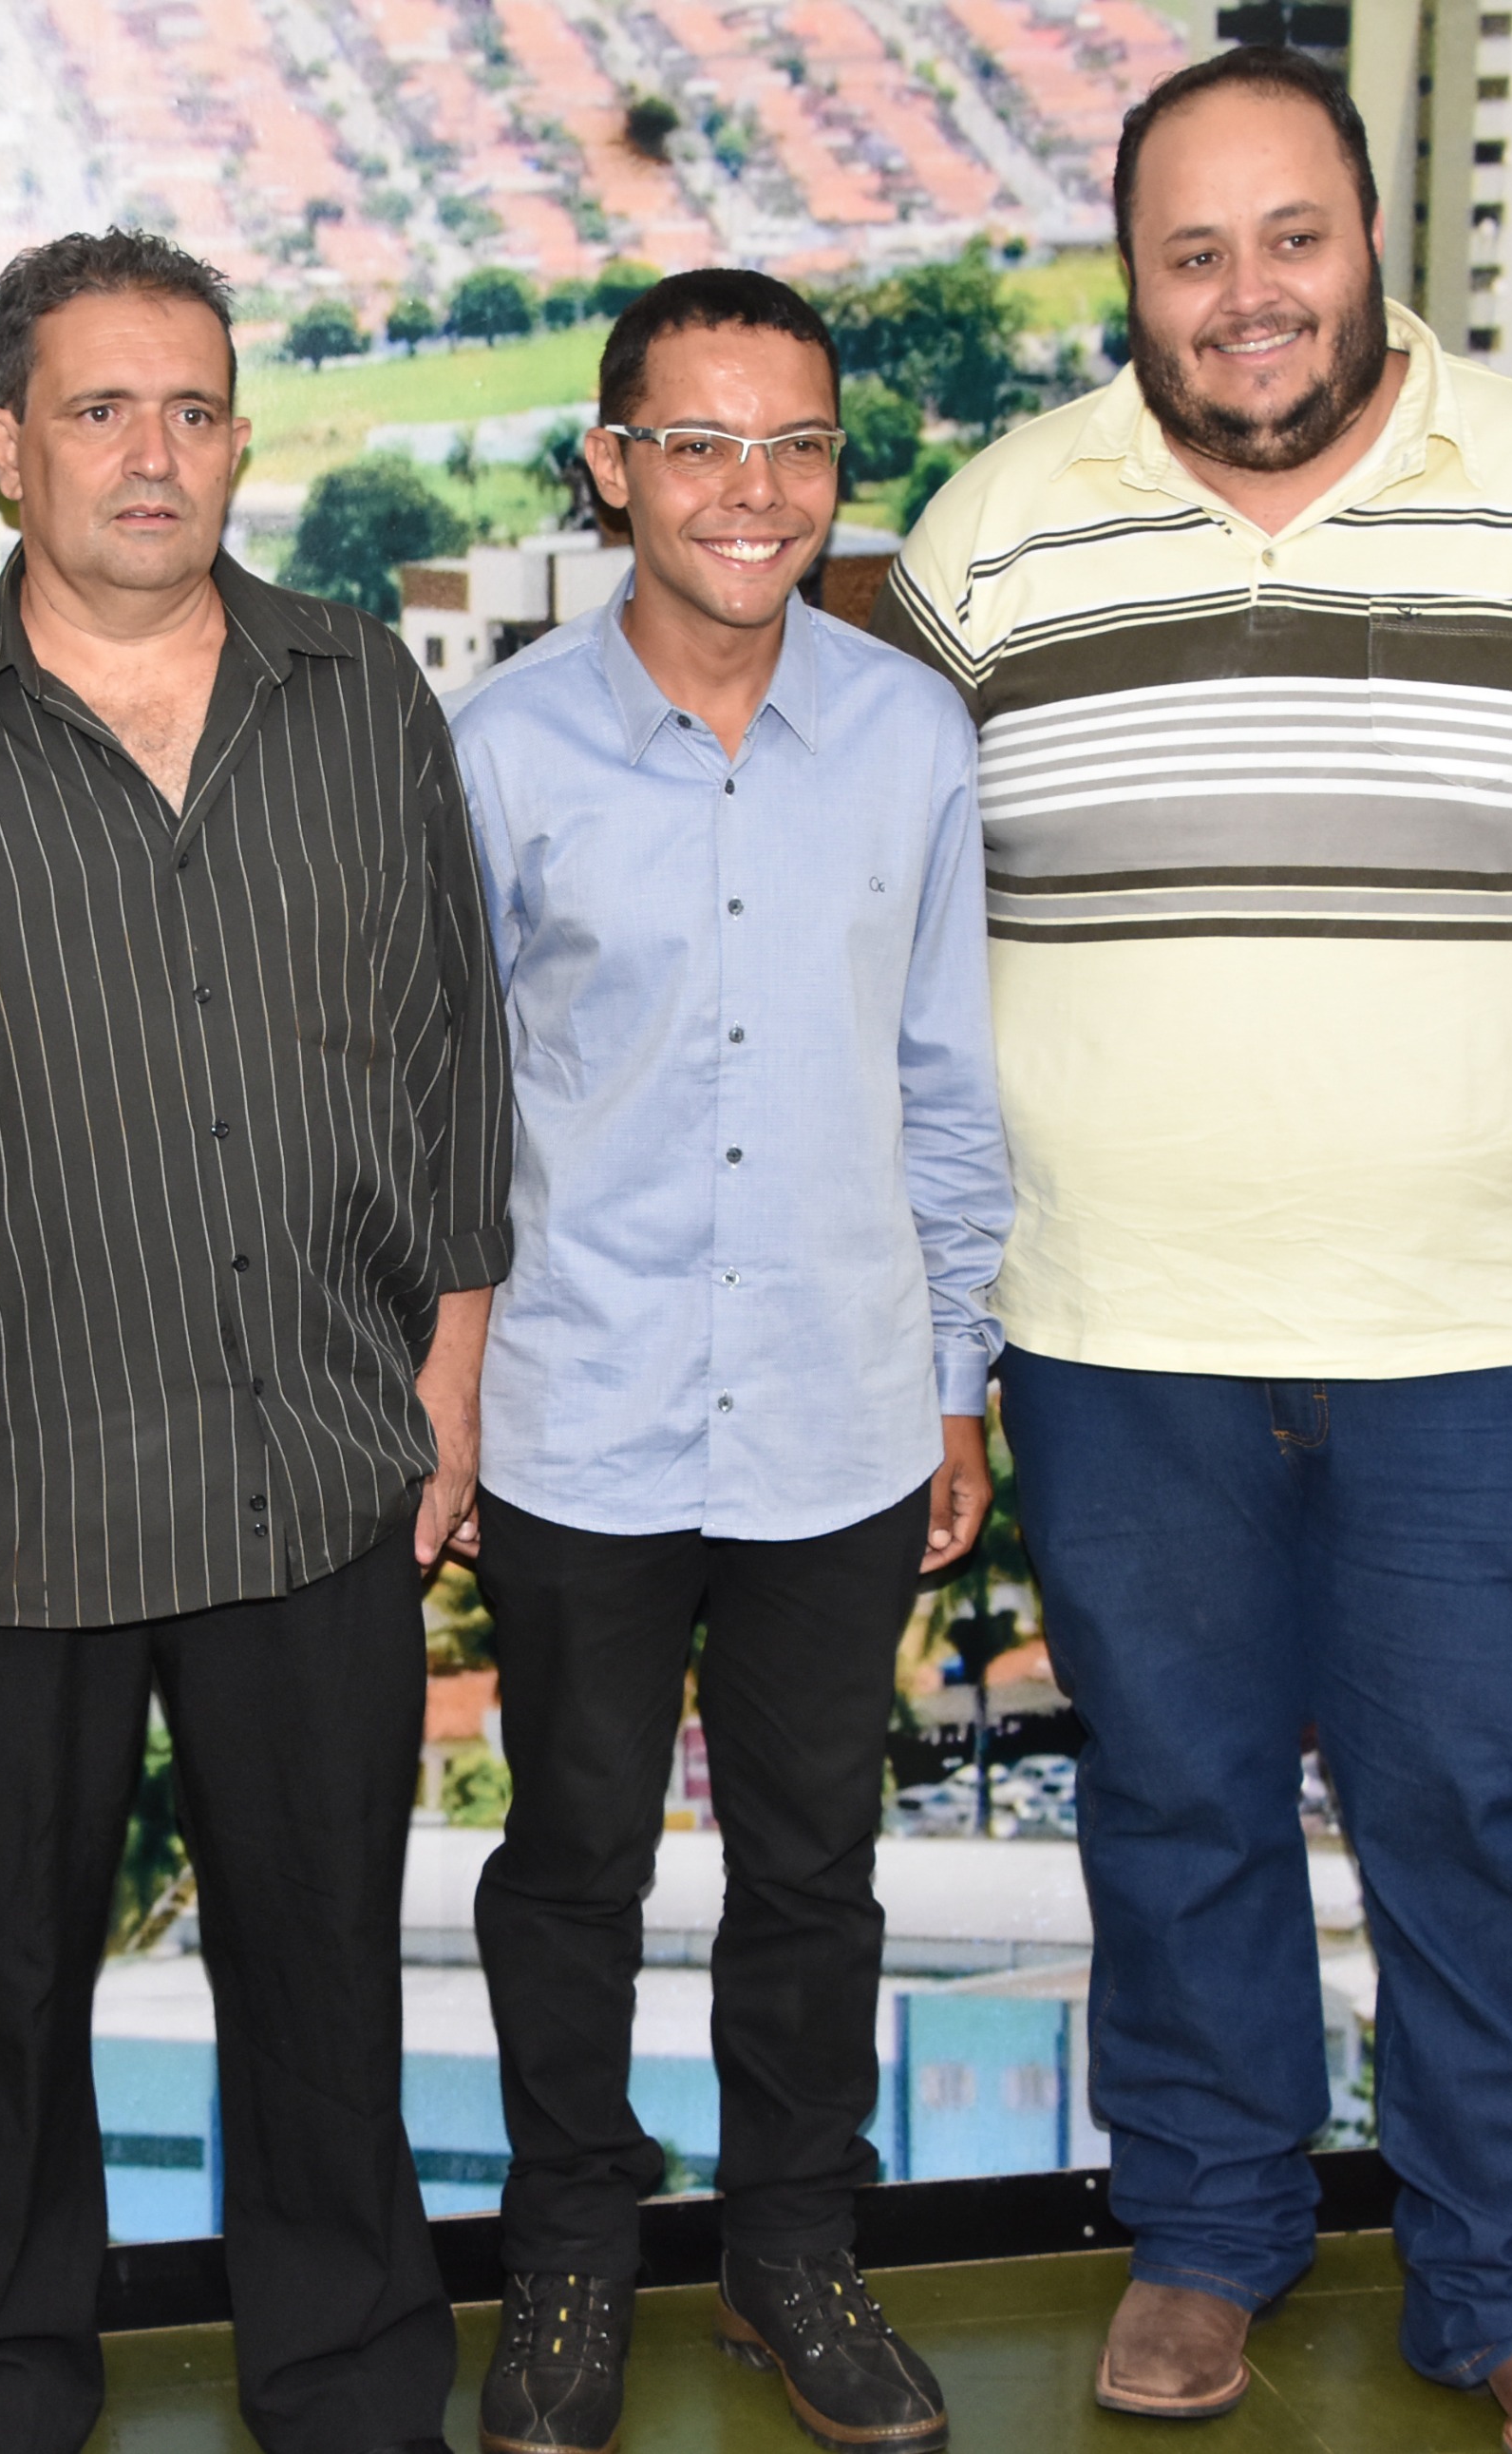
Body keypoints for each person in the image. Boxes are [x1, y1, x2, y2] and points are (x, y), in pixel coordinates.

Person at [871, 48, 1512, 2454]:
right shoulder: (987, 536)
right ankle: (1205, 2233)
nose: (1247, 295)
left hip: (1473, 1330)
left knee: (1478, 1817)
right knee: (1169, 1803)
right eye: (1191, 252)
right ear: (1127, 276)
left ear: (1371, 234)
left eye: (1289, 237)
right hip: (1112, 1324)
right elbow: (863, 918)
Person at [0, 228, 512, 2454]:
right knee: (1, 1987)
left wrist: (449, 1384)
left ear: (239, 440)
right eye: (97, 409)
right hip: (3, 1481)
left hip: (315, 1464)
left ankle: (351, 2381)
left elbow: (454, 1063)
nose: (148, 453)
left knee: (323, 1972)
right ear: (3, 446)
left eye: (190, 409)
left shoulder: (357, 692)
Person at [445, 270, 1010, 2454]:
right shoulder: (499, 749)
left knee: (811, 1872)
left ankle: (792, 2251)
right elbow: (447, 1114)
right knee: (569, 1868)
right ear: (613, 467)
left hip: (837, 1405)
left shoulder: (912, 738)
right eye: (697, 443)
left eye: (794, 445)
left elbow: (944, 1077)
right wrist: (442, 1395)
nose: (750, 490)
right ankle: (569, 2263)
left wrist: (954, 1373)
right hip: (575, 1407)